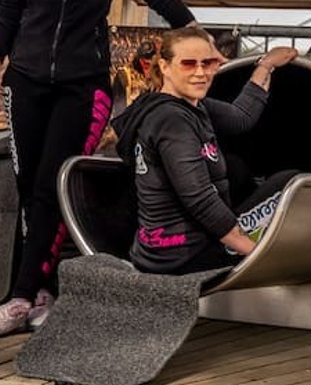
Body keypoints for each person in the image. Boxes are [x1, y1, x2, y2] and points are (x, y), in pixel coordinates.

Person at [0, 0, 197, 336]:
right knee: (29, 187)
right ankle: (43, 293)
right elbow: (9, 10)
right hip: (25, 81)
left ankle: (19, 298)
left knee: (51, 183)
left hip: (83, 86)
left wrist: (196, 35)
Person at [112, 27, 298, 275]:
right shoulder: (172, 120)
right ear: (165, 67)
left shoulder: (187, 105)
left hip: (159, 249)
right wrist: (257, 255)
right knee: (291, 182)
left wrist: (266, 65)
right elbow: (199, 199)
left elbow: (241, 117)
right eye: (188, 64)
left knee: (236, 168)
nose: (200, 72)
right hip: (186, 257)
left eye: (207, 63)